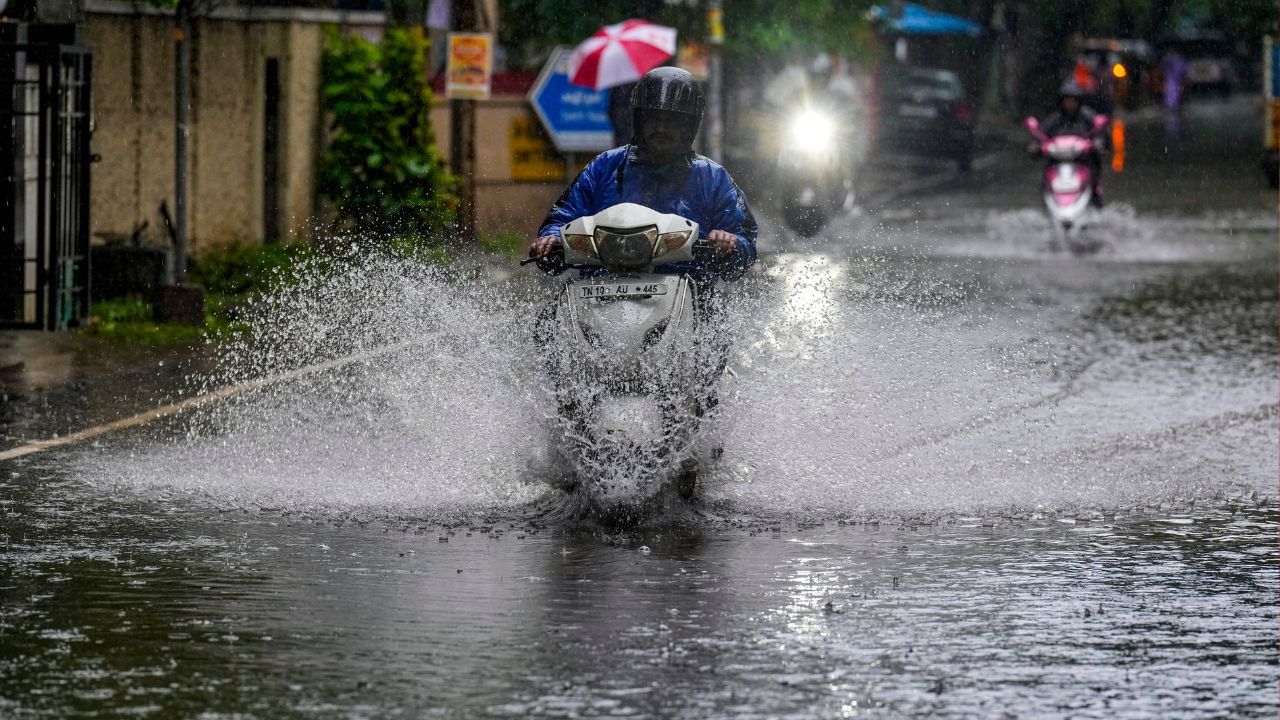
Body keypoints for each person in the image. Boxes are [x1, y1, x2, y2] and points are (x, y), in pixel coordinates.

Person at [529, 67, 757, 286]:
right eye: (654, 119)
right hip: (598, 291)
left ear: (689, 127)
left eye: (672, 121)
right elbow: (561, 219)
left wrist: (730, 244)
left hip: (690, 299)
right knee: (547, 321)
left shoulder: (713, 177)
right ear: (639, 121)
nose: (662, 128)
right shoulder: (604, 167)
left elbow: (744, 243)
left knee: (715, 323)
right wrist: (551, 240)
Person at [1031, 80, 1105, 205]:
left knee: (1094, 169)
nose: (1070, 103)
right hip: (1057, 161)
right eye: (1067, 100)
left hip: (1082, 160)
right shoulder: (1054, 119)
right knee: (1045, 175)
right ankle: (1048, 198)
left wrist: (1098, 142)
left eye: (1073, 100)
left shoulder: (1087, 117)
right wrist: (1035, 145)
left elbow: (1100, 132)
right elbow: (1041, 134)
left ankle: (1095, 197)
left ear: (1078, 101)